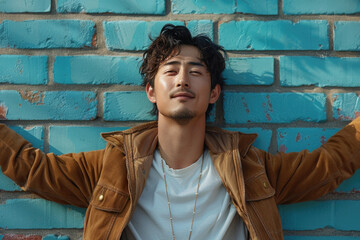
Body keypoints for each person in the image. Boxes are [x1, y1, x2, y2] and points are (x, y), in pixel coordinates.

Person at [1, 24, 360, 240]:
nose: (183, 79)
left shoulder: (248, 169)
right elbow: (38, 170)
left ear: (214, 92)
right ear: (151, 92)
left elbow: (324, 168)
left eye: (196, 71)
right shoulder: (114, 168)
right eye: (170, 70)